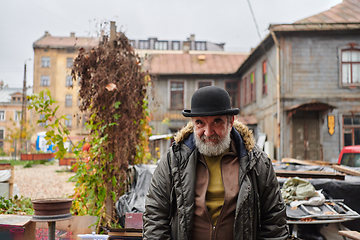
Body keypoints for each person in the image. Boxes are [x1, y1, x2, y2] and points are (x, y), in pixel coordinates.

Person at [143, 86, 289, 240]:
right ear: (193, 123)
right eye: (200, 123)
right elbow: (155, 216)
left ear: (230, 122)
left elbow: (274, 222)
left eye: (217, 122)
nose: (208, 132)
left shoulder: (257, 163)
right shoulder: (173, 161)